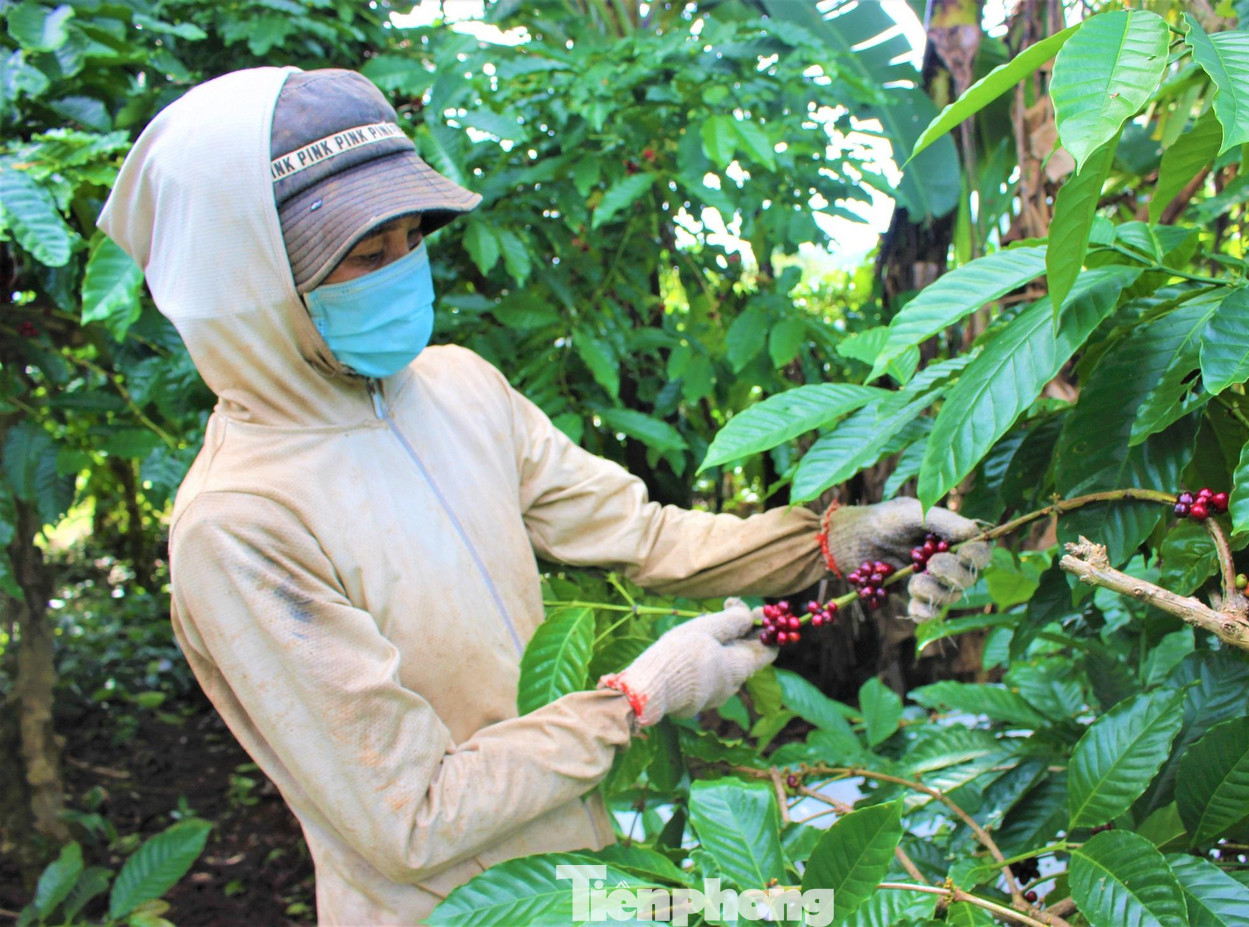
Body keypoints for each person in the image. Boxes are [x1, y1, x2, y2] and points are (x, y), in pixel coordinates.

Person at [98, 67, 990, 925]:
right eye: (366, 255)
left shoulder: (456, 386)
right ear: (248, 286)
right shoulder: (240, 525)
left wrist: (832, 540)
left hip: (592, 874)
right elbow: (413, 817)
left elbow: (639, 531)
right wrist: (635, 699)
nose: (402, 270)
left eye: (411, 240)